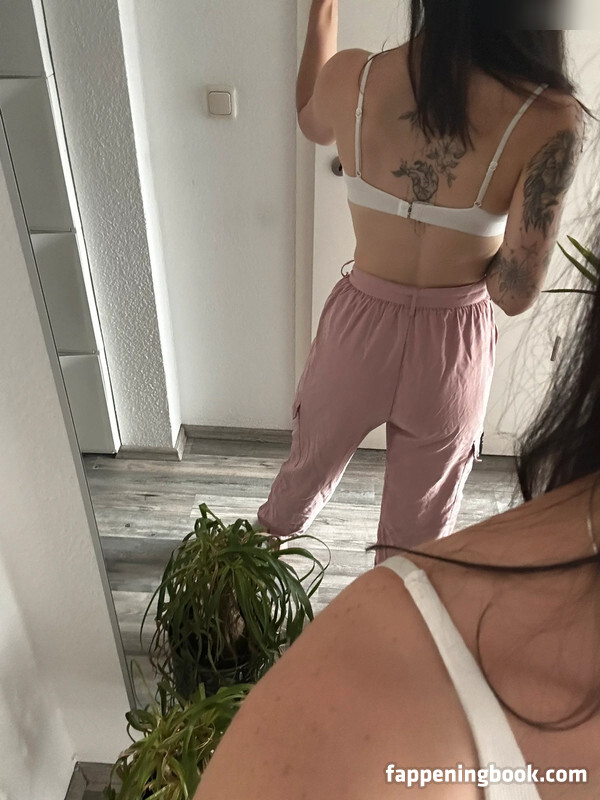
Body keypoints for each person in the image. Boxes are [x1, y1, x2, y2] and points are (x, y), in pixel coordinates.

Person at [255, 0, 587, 565]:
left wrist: (323, 10)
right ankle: (392, 614)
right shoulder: (552, 117)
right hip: (452, 346)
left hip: (359, 325)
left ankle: (248, 576)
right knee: (419, 534)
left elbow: (310, 120)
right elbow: (513, 293)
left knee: (305, 470)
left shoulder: (351, 77)